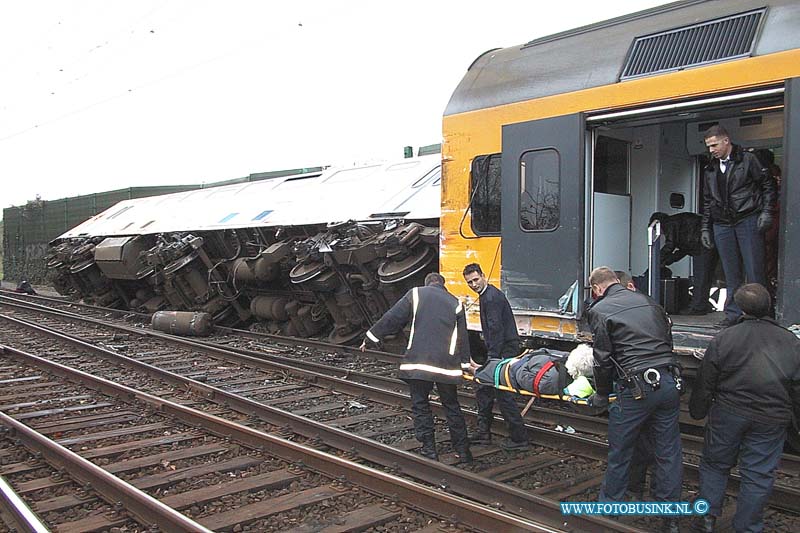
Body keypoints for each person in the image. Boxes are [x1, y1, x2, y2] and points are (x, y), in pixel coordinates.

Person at [689, 283, 800, 533]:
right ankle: (748, 527)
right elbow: (797, 388)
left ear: (739, 308)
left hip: (728, 412)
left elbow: (706, 380)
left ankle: (706, 518)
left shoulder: (725, 338)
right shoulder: (790, 341)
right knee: (758, 474)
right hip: (772, 418)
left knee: (715, 465)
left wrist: (699, 410)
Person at [587, 266, 682, 532]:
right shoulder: (649, 302)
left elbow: (603, 359)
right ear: (617, 281)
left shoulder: (600, 310)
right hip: (668, 381)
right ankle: (670, 517)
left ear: (597, 289)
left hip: (637, 387)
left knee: (621, 451)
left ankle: (610, 511)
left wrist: (603, 393)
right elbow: (667, 339)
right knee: (668, 450)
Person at [361, 272, 473, 463]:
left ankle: (430, 450)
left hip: (419, 363)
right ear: (443, 285)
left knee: (421, 405)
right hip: (446, 366)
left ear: (427, 283)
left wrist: (371, 337)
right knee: (452, 407)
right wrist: (464, 365)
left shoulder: (416, 293)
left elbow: (392, 318)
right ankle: (463, 451)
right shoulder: (456, 303)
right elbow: (462, 338)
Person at [701, 125, 776, 327]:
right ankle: (733, 314)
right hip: (723, 223)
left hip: (747, 218)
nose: (711, 150)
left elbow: (768, 185)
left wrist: (767, 211)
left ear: (727, 141)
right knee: (730, 273)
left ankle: (761, 314)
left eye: (714, 145)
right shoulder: (710, 168)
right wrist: (705, 228)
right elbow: (708, 200)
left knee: (754, 271)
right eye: (708, 146)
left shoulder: (748, 160)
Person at [462, 263, 529, 450]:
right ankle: (484, 433)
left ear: (483, 276)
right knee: (484, 389)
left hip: (503, 351)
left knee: (502, 393)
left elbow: (495, 329)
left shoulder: (490, 298)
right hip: (502, 349)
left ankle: (519, 438)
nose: (473, 284)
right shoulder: (488, 295)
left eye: (476, 279)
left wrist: (491, 360)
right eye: (470, 282)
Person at [649, 212, 717, 315]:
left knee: (700, 278)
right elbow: (682, 250)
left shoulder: (669, 224)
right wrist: (666, 261)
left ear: (658, 223)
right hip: (706, 244)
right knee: (705, 278)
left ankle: (697, 308)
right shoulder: (679, 223)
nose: (661, 233)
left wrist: (657, 260)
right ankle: (703, 305)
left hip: (701, 246)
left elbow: (670, 246)